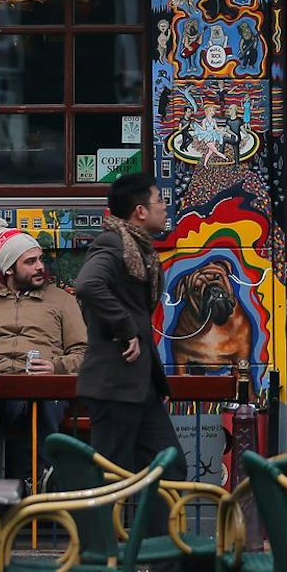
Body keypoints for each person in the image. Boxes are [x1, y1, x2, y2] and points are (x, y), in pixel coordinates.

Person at [76, 173, 181, 470]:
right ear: (140, 211)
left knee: (170, 468)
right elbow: (87, 284)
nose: (165, 207)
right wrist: (126, 327)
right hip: (115, 384)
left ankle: (156, 519)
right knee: (110, 478)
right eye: (160, 200)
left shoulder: (138, 248)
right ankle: (94, 519)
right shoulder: (112, 244)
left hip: (139, 385)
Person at [0, 226, 87, 477]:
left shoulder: (62, 300)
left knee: (41, 404)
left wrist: (56, 367)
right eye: (30, 261)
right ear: (9, 269)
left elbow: (84, 352)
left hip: (42, 389)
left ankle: (39, 490)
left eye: (40, 259)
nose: (40, 266)